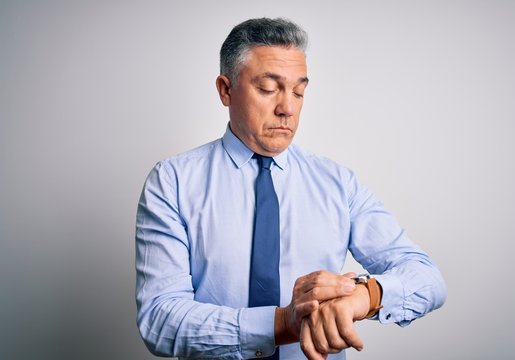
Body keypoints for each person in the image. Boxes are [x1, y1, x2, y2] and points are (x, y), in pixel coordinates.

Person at [135, 17, 446, 360]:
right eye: (269, 88)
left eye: (299, 91)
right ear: (226, 89)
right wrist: (282, 322)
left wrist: (363, 297)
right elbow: (159, 319)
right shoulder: (173, 182)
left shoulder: (338, 184)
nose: (287, 108)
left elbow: (427, 279)